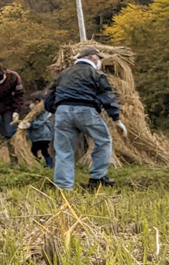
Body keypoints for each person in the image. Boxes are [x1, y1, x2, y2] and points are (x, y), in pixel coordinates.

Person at [45, 46, 124, 190]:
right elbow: (107, 96)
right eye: (99, 58)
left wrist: (51, 110)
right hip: (86, 110)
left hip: (62, 112)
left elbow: (50, 94)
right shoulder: (95, 73)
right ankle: (98, 177)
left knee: (64, 150)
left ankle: (64, 187)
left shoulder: (64, 73)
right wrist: (116, 118)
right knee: (104, 140)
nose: (100, 61)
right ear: (92, 57)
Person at [19, 92, 55, 168]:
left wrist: (30, 125)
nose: (31, 105)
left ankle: (49, 164)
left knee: (44, 150)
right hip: (36, 137)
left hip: (43, 136)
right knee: (34, 151)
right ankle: (37, 163)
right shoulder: (33, 113)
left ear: (37, 102)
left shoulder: (43, 112)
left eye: (32, 102)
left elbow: (39, 123)